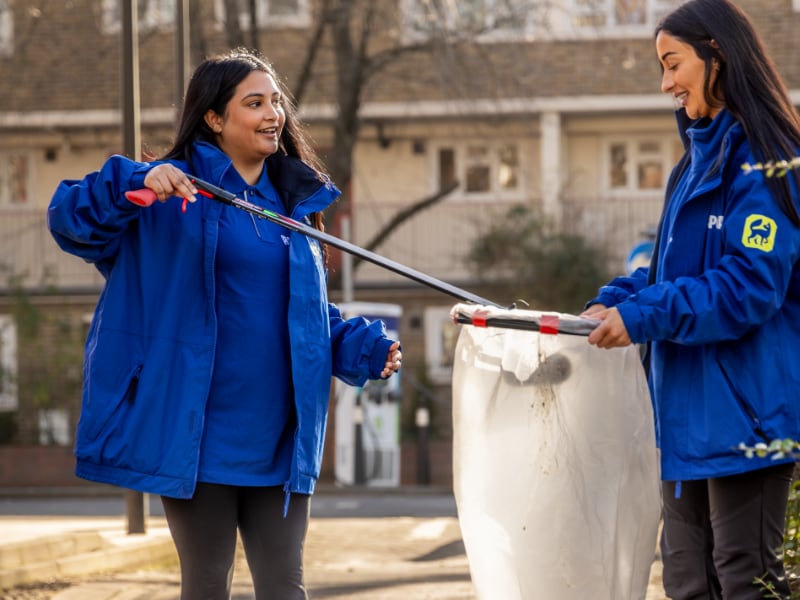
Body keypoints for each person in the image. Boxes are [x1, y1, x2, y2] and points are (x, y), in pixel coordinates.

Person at [48, 49, 402, 600]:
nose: (273, 114)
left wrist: (358, 346)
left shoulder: (294, 206)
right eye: (254, 103)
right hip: (197, 435)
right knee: (208, 585)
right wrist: (137, 181)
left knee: (285, 589)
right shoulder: (165, 194)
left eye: (276, 102)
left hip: (280, 438)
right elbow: (69, 219)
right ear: (214, 117)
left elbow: (299, 314)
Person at [582, 1, 800, 598]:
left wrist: (643, 315)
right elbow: (668, 274)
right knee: (686, 583)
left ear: (717, 55)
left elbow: (749, 286)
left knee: (745, 579)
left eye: (673, 63)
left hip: (747, 421)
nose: (666, 83)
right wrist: (610, 305)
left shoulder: (768, 159)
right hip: (683, 423)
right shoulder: (691, 167)